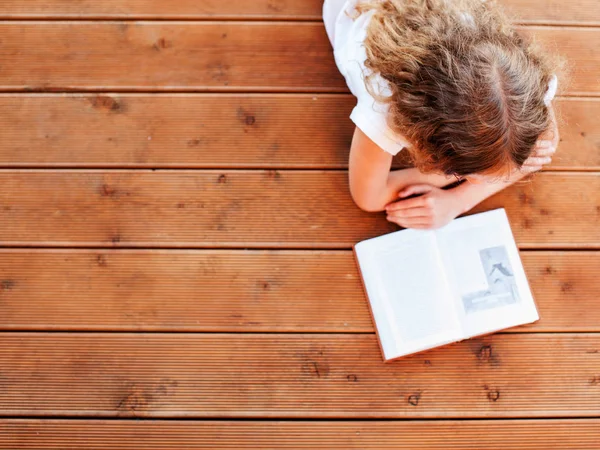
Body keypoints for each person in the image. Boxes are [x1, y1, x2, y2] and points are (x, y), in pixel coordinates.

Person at [323, 0, 562, 229]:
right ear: (432, 156)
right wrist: (479, 178)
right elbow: (369, 197)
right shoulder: (383, 111)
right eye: (465, 174)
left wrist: (461, 198)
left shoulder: (524, 80)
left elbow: (547, 140)